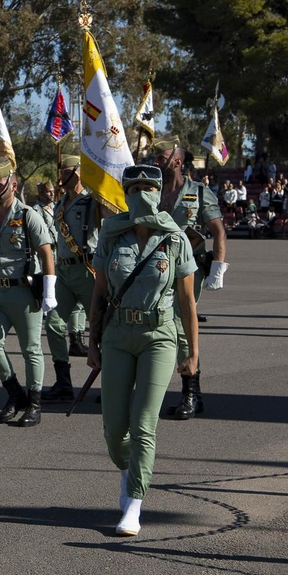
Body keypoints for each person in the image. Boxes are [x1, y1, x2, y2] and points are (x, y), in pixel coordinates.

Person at [88, 164, 200, 537]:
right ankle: (128, 469)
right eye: (133, 188)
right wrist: (93, 342)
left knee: (143, 424)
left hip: (159, 336)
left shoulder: (175, 238)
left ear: (159, 192)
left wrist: (193, 353)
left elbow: (187, 303)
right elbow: (100, 292)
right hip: (118, 336)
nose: (141, 194)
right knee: (114, 430)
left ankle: (134, 504)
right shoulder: (111, 235)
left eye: (148, 187)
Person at [0, 157, 57, 427]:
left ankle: (34, 403)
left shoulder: (28, 215)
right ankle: (14, 393)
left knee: (31, 350)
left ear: (13, 185)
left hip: (25, 292)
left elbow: (46, 253)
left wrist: (50, 292)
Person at [150, 140, 227, 420]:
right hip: (155, 268)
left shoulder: (198, 192)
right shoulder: (152, 191)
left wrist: (218, 266)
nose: (156, 160)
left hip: (188, 268)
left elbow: (218, 231)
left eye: (162, 156)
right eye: (155, 156)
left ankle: (191, 394)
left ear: (178, 162)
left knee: (183, 329)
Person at [42, 155, 98, 402]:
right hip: (64, 272)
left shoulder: (93, 202)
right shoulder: (60, 203)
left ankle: (112, 382)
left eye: (64, 172)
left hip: (88, 271)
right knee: (53, 324)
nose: (59, 177)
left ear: (76, 172)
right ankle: (63, 382)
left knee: (102, 328)